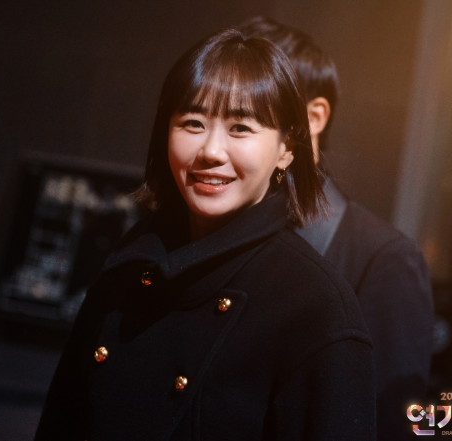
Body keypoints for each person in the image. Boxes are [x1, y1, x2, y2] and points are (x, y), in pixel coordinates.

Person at [34, 29, 375, 441]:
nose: (211, 151)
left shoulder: (316, 306)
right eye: (192, 123)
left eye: (240, 128)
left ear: (286, 148)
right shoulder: (128, 266)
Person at [238, 17, 434, 441]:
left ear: (314, 117)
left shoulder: (384, 260)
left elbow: (385, 427)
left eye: (251, 110)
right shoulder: (208, 231)